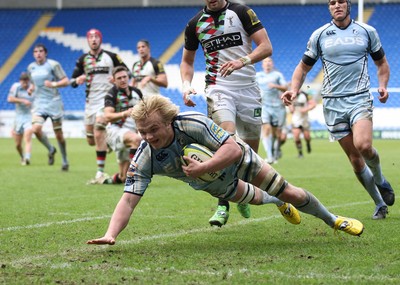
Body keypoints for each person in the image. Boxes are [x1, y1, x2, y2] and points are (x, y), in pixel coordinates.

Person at [86, 95, 364, 246]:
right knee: (262, 198)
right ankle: (278, 203)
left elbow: (231, 149)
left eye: (153, 129)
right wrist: (112, 233)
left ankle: (333, 220)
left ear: (169, 121)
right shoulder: (145, 156)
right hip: (211, 183)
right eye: (142, 131)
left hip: (238, 159)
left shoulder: (192, 123)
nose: (147, 136)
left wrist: (204, 167)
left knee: (287, 190)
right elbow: (128, 199)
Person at [180, 0, 292, 227]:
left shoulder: (241, 12)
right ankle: (223, 205)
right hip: (218, 87)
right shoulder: (195, 24)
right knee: (226, 141)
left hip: (249, 89)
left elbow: (266, 47)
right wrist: (185, 85)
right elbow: (187, 61)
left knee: (249, 153)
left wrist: (242, 61)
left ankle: (242, 191)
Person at [281, 0, 394, 219]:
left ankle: (380, 180)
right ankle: (380, 203)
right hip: (332, 104)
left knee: (364, 145)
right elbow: (303, 67)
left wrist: (383, 85)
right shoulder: (320, 35)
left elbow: (382, 63)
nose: (336, 5)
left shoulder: (366, 31)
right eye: (332, 2)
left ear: (348, 5)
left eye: (341, 1)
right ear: (329, 7)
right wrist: (293, 90)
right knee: (355, 159)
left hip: (359, 98)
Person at [71, 28, 130, 183]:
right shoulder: (83, 59)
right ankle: (108, 143)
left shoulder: (111, 56)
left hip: (106, 101)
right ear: (87, 40)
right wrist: (77, 80)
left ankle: (99, 172)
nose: (94, 39)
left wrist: (115, 78)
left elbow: (127, 72)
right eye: (90, 37)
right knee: (91, 140)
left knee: (98, 132)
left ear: (100, 39)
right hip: (90, 103)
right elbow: (72, 80)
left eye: (96, 36)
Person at [27, 43, 70, 171]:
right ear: (33, 54)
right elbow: (33, 84)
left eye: (40, 51)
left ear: (45, 53)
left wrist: (53, 83)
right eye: (35, 51)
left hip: (54, 102)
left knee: (59, 135)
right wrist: (31, 89)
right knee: (35, 129)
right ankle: (51, 149)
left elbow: (65, 81)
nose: (38, 53)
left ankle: (64, 160)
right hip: (39, 103)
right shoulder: (31, 67)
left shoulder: (53, 65)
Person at [99, 66, 143, 184]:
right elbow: (107, 116)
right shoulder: (111, 94)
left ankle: (105, 181)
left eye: (125, 77)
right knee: (137, 140)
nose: (123, 80)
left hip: (129, 131)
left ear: (128, 77)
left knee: (123, 177)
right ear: (114, 80)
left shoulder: (137, 92)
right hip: (115, 131)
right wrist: (125, 113)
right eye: (119, 78)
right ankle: (135, 175)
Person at [256, 57, 288, 164]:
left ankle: (274, 152)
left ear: (272, 64)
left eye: (269, 61)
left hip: (277, 107)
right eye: (265, 61)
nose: (267, 63)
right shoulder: (258, 76)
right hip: (264, 106)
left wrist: (275, 86)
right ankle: (269, 157)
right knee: (266, 129)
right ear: (262, 64)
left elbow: (285, 88)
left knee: (276, 134)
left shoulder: (277, 75)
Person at [7, 72, 34, 165]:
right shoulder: (16, 87)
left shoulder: (33, 88)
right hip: (18, 117)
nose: (25, 85)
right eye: (23, 83)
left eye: (27, 82)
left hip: (29, 116)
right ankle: (22, 156)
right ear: (20, 82)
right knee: (18, 144)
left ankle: (27, 158)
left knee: (28, 137)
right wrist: (22, 100)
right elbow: (10, 99)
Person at [288, 90, 316, 158]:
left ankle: (308, 143)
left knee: (307, 137)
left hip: (304, 119)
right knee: (296, 137)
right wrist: (291, 107)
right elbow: (289, 104)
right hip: (296, 119)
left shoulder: (305, 94)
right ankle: (300, 153)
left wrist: (306, 109)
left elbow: (313, 104)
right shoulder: (290, 95)